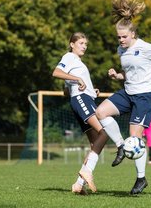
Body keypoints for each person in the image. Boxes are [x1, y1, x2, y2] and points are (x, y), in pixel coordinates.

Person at [95, 0, 151, 195]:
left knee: (136, 138)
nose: (121, 40)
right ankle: (121, 146)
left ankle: (141, 179)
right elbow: (129, 73)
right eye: (118, 37)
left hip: (145, 97)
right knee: (100, 112)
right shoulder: (120, 50)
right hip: (128, 91)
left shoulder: (146, 48)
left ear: (132, 34)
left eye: (124, 37)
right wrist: (118, 75)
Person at [52, 32, 109, 195]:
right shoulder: (69, 57)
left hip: (84, 99)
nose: (84, 46)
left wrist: (91, 90)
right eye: (81, 43)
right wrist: (78, 80)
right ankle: (86, 173)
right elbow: (56, 73)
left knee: (95, 144)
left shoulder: (77, 62)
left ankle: (78, 185)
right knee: (104, 134)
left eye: (86, 44)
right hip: (81, 100)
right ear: (72, 44)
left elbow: (66, 91)